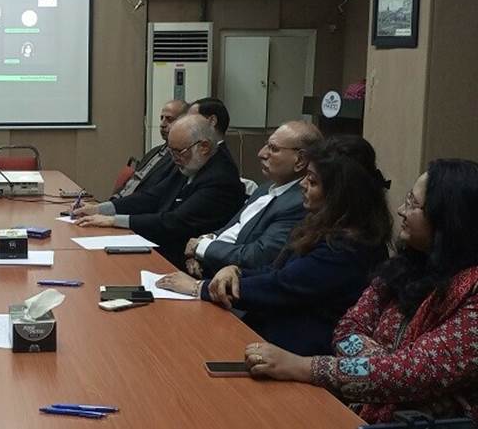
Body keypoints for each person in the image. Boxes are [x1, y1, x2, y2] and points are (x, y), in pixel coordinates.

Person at [241, 159, 478, 424]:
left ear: (448, 218)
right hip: (364, 410)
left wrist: (304, 367)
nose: (401, 210)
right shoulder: (406, 264)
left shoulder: (472, 292)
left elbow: (417, 371)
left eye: (413, 204)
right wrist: (386, 367)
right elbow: (349, 325)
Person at [158, 135, 392, 356]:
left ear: (338, 194)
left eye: (312, 181)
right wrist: (235, 272)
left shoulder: (348, 246)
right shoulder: (321, 224)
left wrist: (200, 288)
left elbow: (283, 285)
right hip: (274, 336)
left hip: (300, 351)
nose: (302, 185)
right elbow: (276, 270)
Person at [74, 114, 245, 265]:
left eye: (178, 151)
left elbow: (173, 222)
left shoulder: (220, 179)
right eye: (171, 151)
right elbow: (152, 197)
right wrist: (101, 209)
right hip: (162, 247)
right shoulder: (192, 161)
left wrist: (113, 221)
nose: (174, 158)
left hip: (184, 261)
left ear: (204, 146)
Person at [183, 120, 323, 278]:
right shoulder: (266, 187)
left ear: (300, 160)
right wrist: (200, 250)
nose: (261, 153)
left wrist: (202, 248)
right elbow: (232, 228)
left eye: (273, 149)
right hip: (209, 271)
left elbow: (258, 256)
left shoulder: (300, 203)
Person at [111, 99, 189, 200]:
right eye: (162, 118)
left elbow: (153, 196)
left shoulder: (180, 158)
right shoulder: (154, 151)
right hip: (119, 203)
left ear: (186, 122)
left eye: (169, 119)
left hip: (135, 210)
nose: (162, 124)